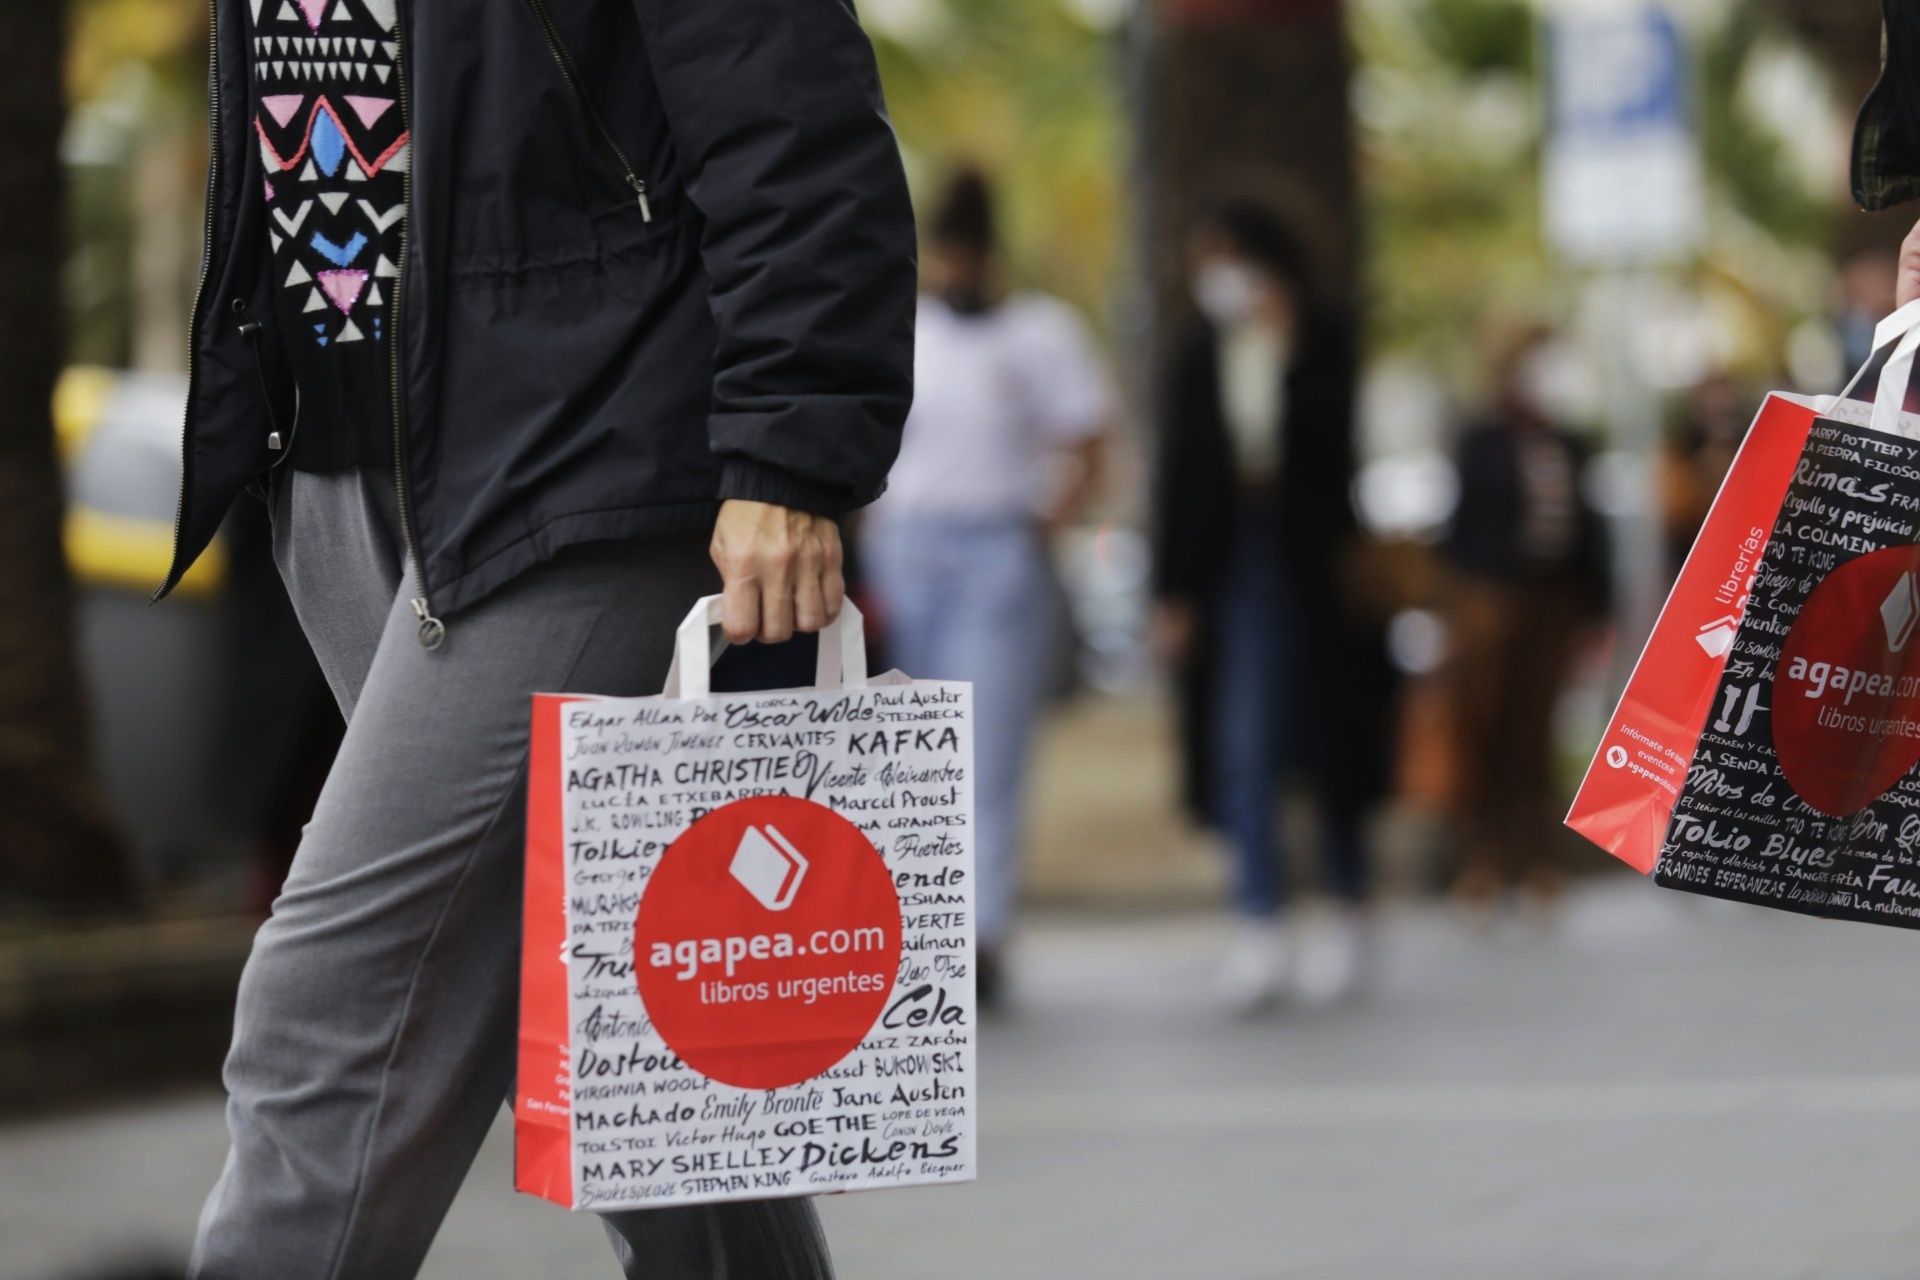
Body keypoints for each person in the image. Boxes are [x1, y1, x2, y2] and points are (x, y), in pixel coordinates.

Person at [166, 0, 915, 1276]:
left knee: (330, 1023)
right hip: (342, 465)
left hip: (577, 453)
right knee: (616, 1033)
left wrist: (791, 452)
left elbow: (787, 90)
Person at [861, 167, 1111, 1009]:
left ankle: (981, 935)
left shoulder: (1039, 333)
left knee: (989, 749)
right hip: (909, 549)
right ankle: (914, 933)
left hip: (998, 548)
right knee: (905, 754)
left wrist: (1050, 519)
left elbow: (1090, 437)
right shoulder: (907, 326)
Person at [1150, 200, 1394, 1013]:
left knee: (1329, 745)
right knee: (1244, 745)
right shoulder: (1197, 350)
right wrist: (1173, 590)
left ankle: (1347, 908)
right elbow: (1181, 474)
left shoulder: (1322, 336)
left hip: (1316, 569)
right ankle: (1259, 920)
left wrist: (1286, 351)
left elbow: (1337, 449)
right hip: (1232, 568)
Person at [1441, 329, 1608, 911]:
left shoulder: (1567, 441)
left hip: (1552, 605)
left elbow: (1588, 529)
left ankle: (1539, 860)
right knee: (1485, 731)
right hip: (1493, 604)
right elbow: (1463, 529)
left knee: (1538, 733)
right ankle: (1483, 861)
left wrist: (1595, 605)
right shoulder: (1482, 440)